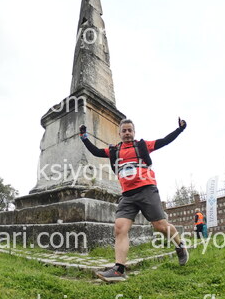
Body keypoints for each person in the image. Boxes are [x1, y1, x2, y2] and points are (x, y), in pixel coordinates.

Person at [79, 117, 189, 282]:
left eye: (130, 130)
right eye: (124, 131)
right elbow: (96, 151)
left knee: (160, 226)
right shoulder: (114, 150)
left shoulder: (142, 146)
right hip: (127, 195)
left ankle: (179, 245)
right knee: (120, 228)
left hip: (147, 190)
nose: (127, 133)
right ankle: (119, 270)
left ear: (134, 132)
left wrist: (179, 129)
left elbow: (164, 141)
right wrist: (84, 137)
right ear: (119, 133)